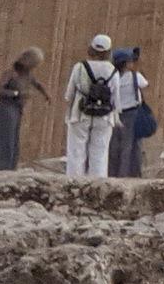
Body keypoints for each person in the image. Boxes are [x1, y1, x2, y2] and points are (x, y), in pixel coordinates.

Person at [0, 48, 51, 171]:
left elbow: (37, 84)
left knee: (13, 140)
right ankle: (0, 167)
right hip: (5, 109)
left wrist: (46, 95)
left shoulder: (28, 75)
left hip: (17, 109)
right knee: (4, 139)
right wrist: (16, 93)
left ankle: (10, 167)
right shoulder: (11, 73)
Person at [63, 34, 119, 181]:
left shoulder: (80, 67)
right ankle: (98, 184)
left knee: (76, 151)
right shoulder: (113, 71)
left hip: (80, 113)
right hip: (105, 116)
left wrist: (68, 114)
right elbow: (116, 99)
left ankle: (74, 182)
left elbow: (69, 94)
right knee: (100, 153)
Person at [107, 48, 150, 181]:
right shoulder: (135, 76)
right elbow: (145, 84)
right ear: (126, 63)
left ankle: (112, 173)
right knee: (129, 146)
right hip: (132, 114)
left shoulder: (111, 77)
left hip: (115, 114)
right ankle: (126, 175)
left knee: (114, 146)